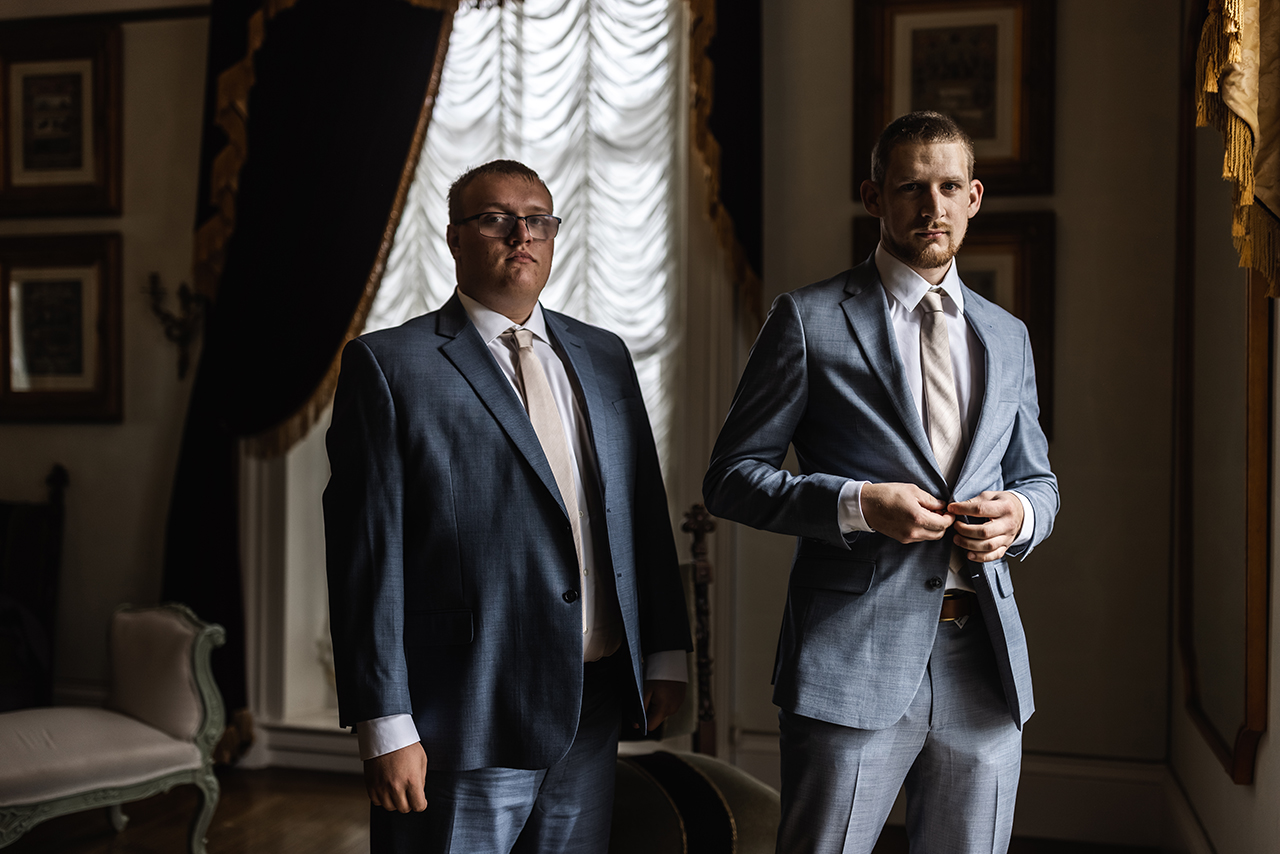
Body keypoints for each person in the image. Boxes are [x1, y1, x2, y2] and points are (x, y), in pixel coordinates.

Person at [703, 111, 1059, 853]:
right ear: (874, 197)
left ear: (974, 197)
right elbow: (731, 478)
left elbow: (1038, 479)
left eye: (949, 187)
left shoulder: (1008, 335)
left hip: (984, 664)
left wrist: (1020, 517)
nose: (932, 206)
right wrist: (857, 505)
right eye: (910, 188)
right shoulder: (806, 320)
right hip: (849, 658)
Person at [325, 159, 692, 854]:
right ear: (454, 238)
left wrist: (666, 650)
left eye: (538, 221)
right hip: (463, 709)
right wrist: (384, 722)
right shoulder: (389, 366)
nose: (521, 235)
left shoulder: (605, 356)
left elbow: (642, 506)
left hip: (593, 701)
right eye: (496, 219)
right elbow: (365, 558)